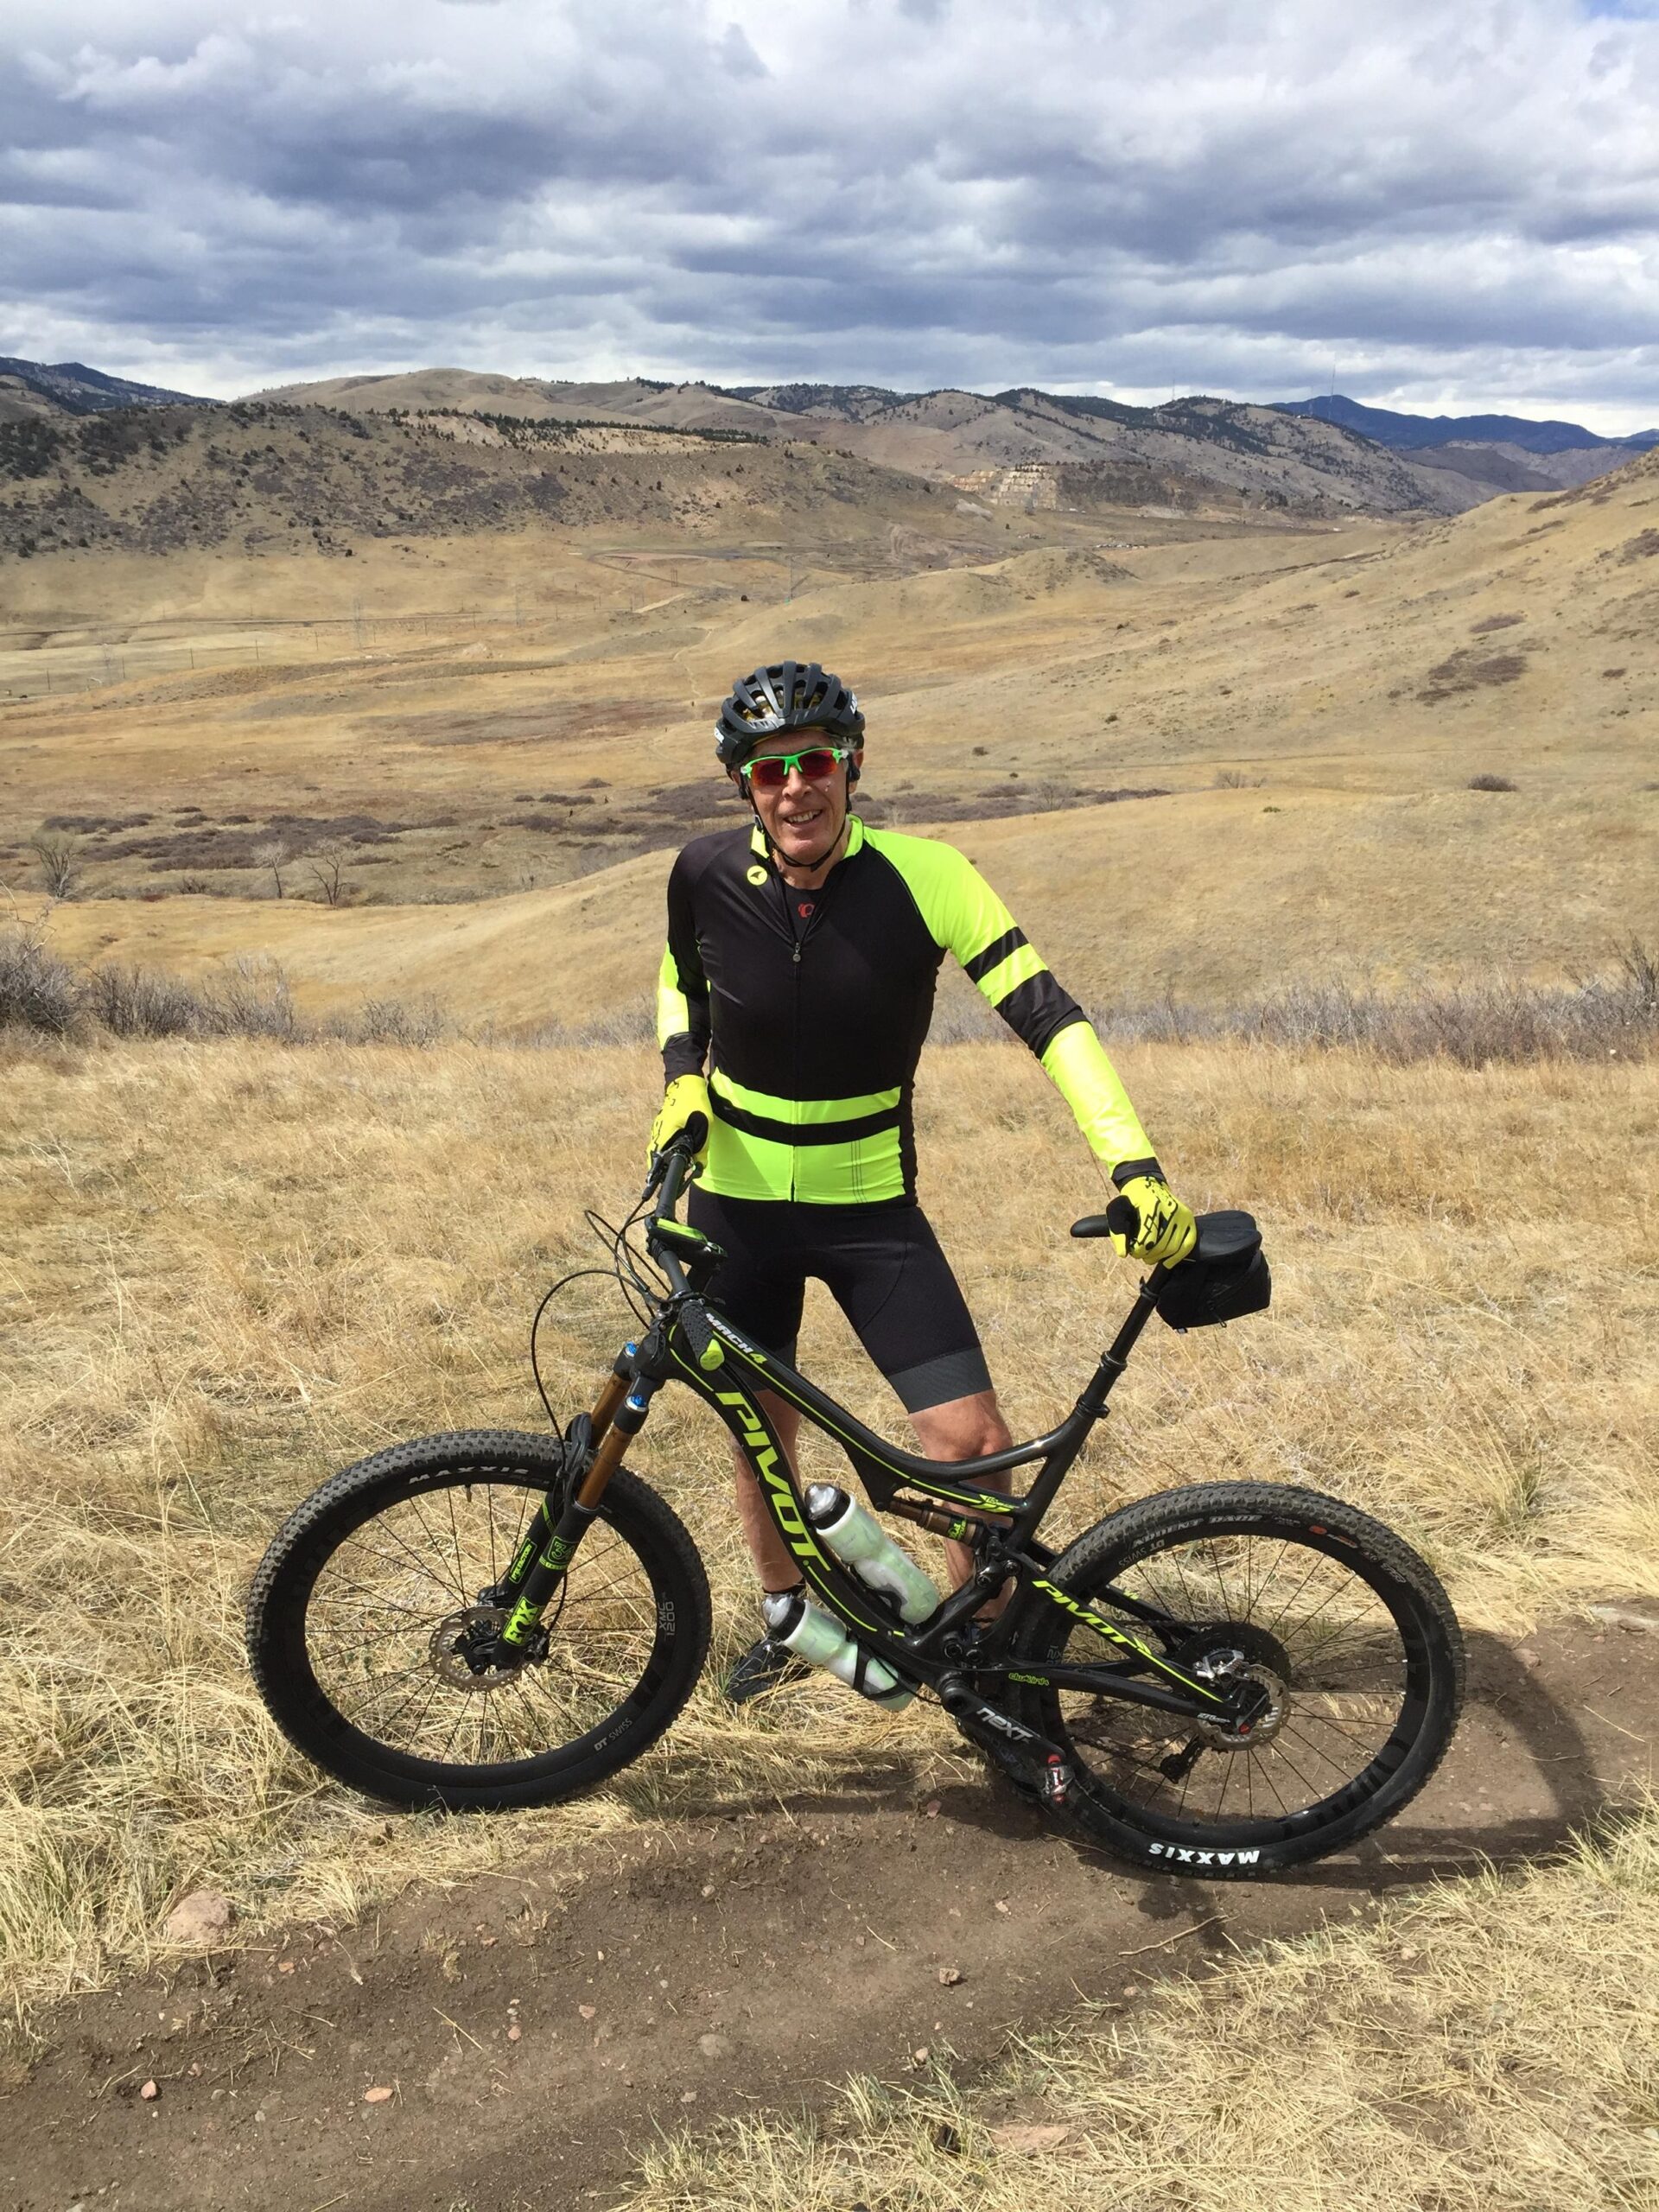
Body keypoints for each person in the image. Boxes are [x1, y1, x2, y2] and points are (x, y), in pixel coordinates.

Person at [652, 660, 1196, 1701]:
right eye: (769, 772)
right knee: (759, 1434)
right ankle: (791, 1619)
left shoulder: (928, 876)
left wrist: (1132, 1162)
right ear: (744, 787)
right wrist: (682, 1078)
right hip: (735, 1210)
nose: (795, 789)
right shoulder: (702, 872)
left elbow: (1050, 1017)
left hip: (871, 1214)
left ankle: (991, 1656)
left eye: (816, 763)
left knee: (970, 1445)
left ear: (852, 766)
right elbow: (683, 980)